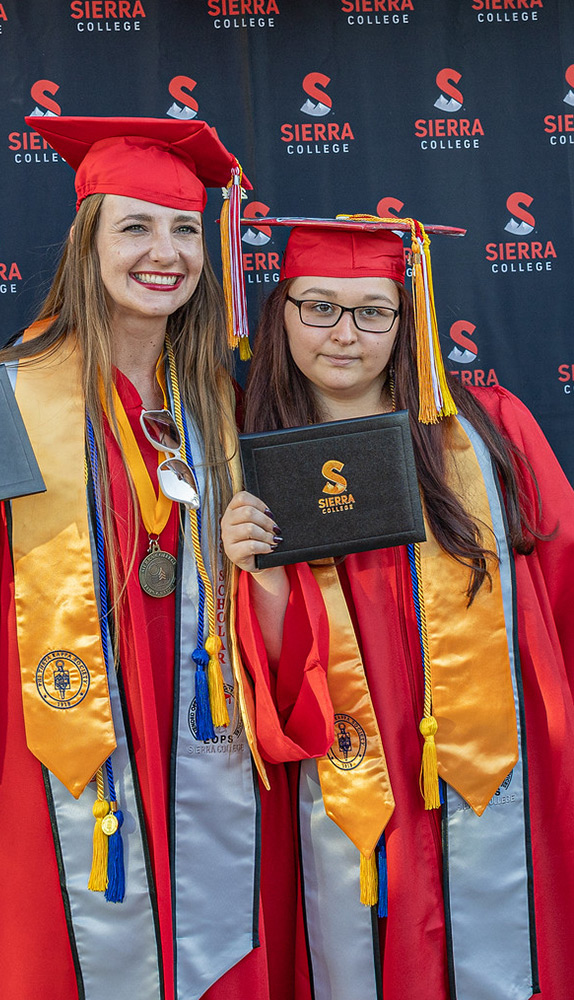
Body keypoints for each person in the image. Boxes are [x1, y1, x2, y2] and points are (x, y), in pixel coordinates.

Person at [0, 120, 332, 1000]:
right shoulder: (9, 400)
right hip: (65, 760)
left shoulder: (226, 405)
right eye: (134, 228)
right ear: (87, 244)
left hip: (213, 755)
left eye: (183, 229)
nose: (165, 253)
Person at [221, 217, 574, 1000]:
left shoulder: (486, 430)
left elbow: (564, 581)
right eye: (319, 306)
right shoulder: (250, 452)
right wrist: (263, 573)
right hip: (345, 776)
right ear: (281, 312)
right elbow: (261, 672)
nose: (344, 335)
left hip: (498, 771)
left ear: (406, 318)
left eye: (372, 311)